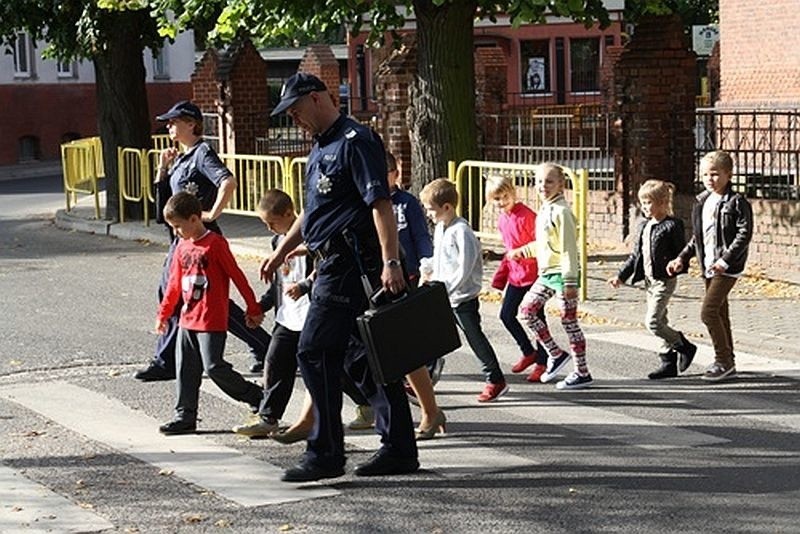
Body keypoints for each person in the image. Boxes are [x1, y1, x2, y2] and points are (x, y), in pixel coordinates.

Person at [263, 72, 418, 482]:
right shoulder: (321, 147)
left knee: (314, 351)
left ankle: (326, 453)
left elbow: (379, 204)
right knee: (366, 358)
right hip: (332, 261)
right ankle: (399, 447)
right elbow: (313, 212)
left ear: (316, 98)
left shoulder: (355, 140)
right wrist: (281, 249)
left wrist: (391, 262)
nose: (295, 119)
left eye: (296, 110)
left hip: (351, 263)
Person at [135, 100, 271, 381]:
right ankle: (265, 347)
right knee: (180, 295)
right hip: (182, 240)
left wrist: (211, 214)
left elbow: (228, 181)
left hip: (203, 239)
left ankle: (166, 361)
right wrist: (163, 169)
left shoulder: (202, 153)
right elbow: (164, 209)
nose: (169, 126)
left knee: (197, 298)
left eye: (174, 121)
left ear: (191, 124)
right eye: (168, 122)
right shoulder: (182, 158)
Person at [155, 192, 265, 435]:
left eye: (178, 226)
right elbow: (174, 283)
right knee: (185, 368)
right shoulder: (182, 245)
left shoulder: (215, 243)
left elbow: (237, 276)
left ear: (195, 219)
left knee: (214, 367)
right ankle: (184, 415)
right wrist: (163, 315)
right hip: (187, 318)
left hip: (211, 317)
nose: (176, 232)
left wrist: (253, 307)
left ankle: (256, 395)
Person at [419, 178, 509, 403]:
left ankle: (495, 378)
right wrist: (427, 267)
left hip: (461, 298)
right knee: (432, 336)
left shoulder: (462, 231)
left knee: (474, 337)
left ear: (447, 207)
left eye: (431, 210)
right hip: (443, 295)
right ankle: (427, 376)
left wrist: (447, 287)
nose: (429, 215)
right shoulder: (441, 228)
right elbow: (440, 257)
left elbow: (465, 266)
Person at [232, 190, 313, 438]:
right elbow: (277, 285)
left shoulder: (309, 236)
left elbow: (323, 270)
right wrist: (260, 307)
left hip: (311, 312)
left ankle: (364, 402)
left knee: (330, 368)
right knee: (275, 362)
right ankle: (269, 417)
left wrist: (304, 287)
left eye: (272, 222)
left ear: (289, 214)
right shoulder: (277, 242)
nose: (268, 228)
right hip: (287, 316)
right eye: (264, 223)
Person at [667, 150, 753, 381]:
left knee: (708, 312)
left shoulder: (737, 202)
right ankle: (729, 361)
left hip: (727, 266)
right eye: (705, 174)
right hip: (708, 264)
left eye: (715, 174)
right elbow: (698, 237)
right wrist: (682, 257)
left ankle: (722, 360)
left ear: (729, 175)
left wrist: (725, 260)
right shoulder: (702, 200)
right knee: (720, 313)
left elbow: (744, 235)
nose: (709, 179)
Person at [607, 179, 697, 379]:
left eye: (649, 202)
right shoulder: (643, 226)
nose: (645, 207)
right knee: (662, 320)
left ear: (663, 202)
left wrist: (679, 262)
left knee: (653, 322)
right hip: (649, 281)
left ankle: (684, 345)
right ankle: (668, 363)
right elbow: (635, 256)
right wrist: (620, 276)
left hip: (664, 280)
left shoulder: (673, 225)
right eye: (643, 202)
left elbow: (682, 251)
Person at [517, 163, 593, 390]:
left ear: (561, 184)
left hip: (563, 273)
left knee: (569, 321)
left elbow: (569, 248)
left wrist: (570, 281)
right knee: (526, 311)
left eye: (549, 181)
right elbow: (544, 244)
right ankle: (555, 353)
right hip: (547, 273)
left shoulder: (562, 212)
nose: (543, 186)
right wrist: (523, 251)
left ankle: (582, 372)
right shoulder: (545, 209)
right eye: (539, 181)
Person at [387, 152, 445, 439]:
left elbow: (421, 235)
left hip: (407, 274)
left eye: (387, 174)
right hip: (381, 279)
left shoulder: (406, 203)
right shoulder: (370, 201)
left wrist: (427, 263)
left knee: (406, 340)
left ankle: (427, 372)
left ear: (395, 174)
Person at [485, 174, 550, 382]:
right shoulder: (503, 219)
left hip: (532, 275)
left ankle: (543, 360)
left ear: (513, 193)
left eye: (504, 196)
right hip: (515, 275)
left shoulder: (527, 216)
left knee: (537, 318)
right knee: (506, 315)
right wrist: (501, 275)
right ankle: (528, 351)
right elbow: (508, 249)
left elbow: (539, 245)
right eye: (496, 199)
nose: (501, 202)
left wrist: (529, 258)